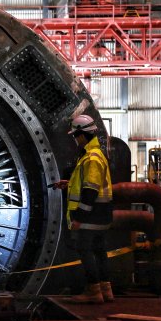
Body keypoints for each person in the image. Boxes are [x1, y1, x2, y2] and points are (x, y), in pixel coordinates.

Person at [52, 114, 114, 304]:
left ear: (82, 134)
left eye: (75, 136)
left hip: (91, 216)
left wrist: (79, 217)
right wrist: (69, 183)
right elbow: (87, 183)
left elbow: (90, 190)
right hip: (101, 215)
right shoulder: (94, 155)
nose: (74, 139)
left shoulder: (92, 157)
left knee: (86, 251)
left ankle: (93, 292)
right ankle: (106, 290)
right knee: (100, 252)